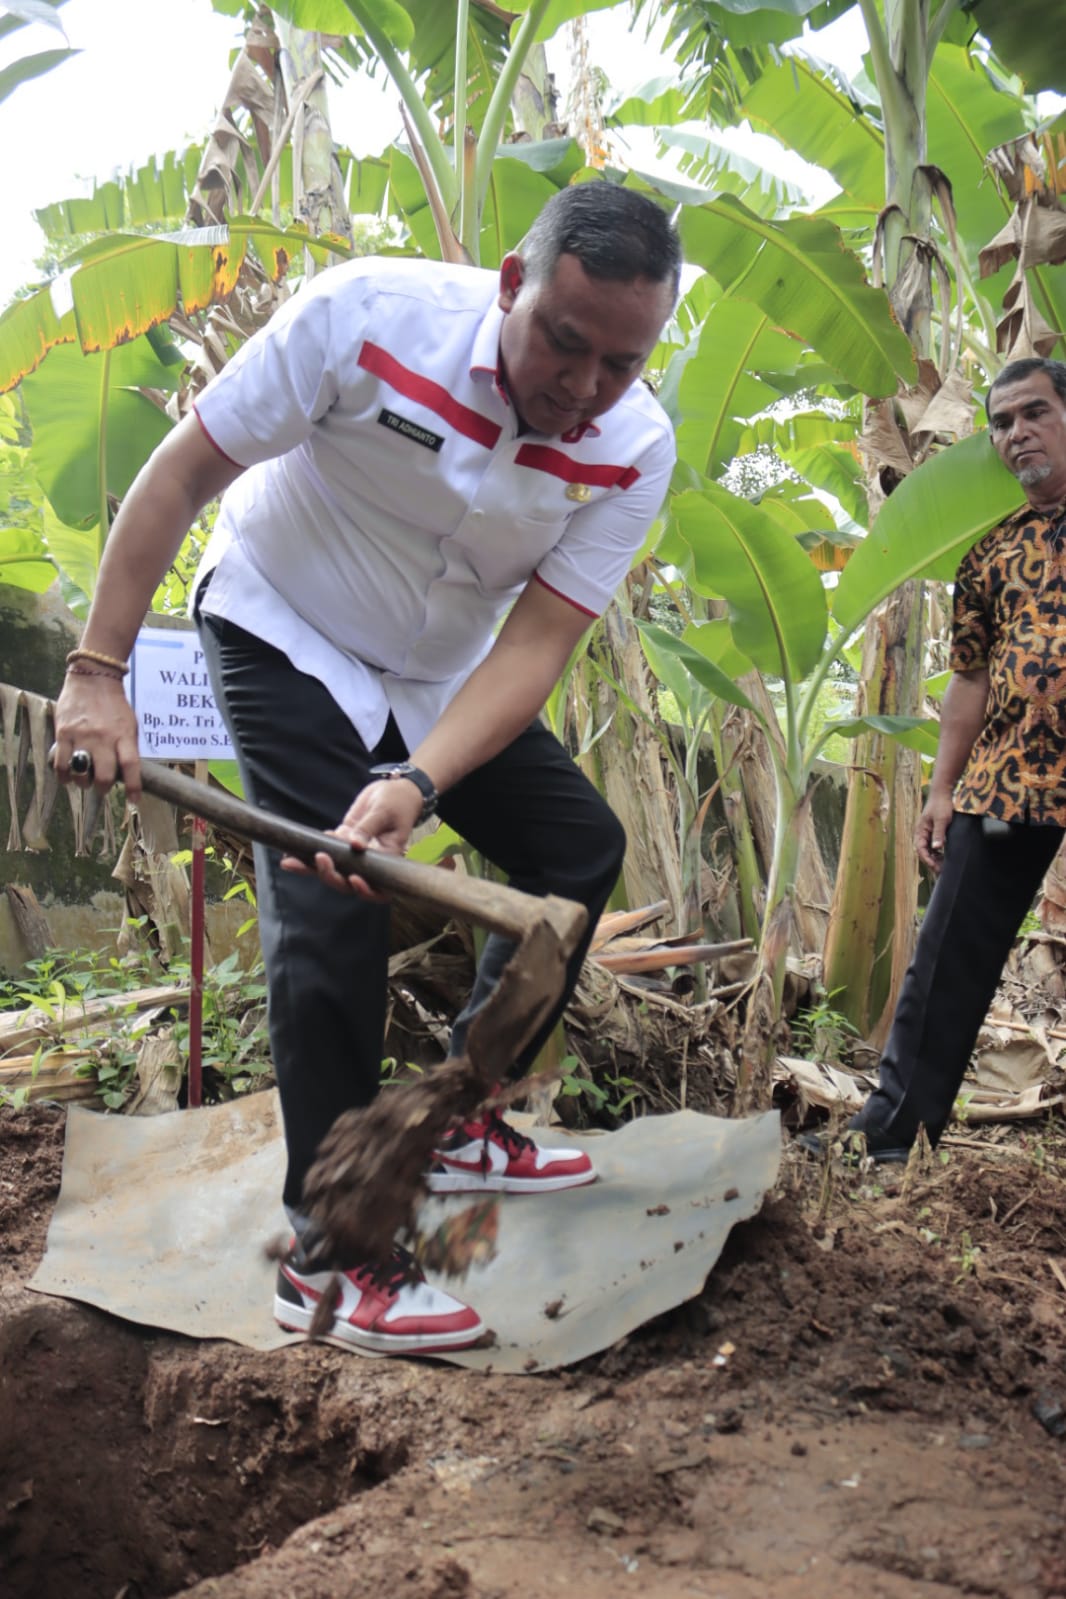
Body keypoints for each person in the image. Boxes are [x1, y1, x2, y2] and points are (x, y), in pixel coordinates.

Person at [52, 182, 682, 1356]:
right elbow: (181, 473)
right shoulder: (365, 317)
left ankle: (457, 1117)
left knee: (576, 853)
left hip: (443, 676)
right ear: (511, 284)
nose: (585, 386)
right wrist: (97, 670)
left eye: (622, 362)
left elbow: (536, 643)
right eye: (565, 341)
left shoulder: (635, 446)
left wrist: (417, 782)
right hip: (283, 622)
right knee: (329, 901)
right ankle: (331, 1258)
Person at [803, 356, 1066, 1165]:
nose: (1016, 432)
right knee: (946, 960)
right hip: (1009, 776)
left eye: (1034, 412)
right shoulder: (988, 555)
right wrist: (942, 787)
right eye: (1001, 422)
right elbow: (970, 679)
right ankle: (890, 1134)